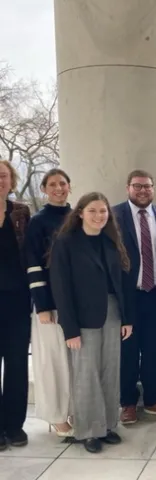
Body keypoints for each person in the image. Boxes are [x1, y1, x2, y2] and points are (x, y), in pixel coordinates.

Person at [49, 192, 133, 453]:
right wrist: (70, 328)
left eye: (103, 211)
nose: (99, 216)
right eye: (93, 211)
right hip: (82, 317)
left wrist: (127, 318)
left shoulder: (111, 241)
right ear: (81, 212)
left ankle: (107, 426)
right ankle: (88, 431)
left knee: (110, 371)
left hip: (112, 312)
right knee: (87, 374)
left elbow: (121, 283)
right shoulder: (66, 242)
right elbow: (61, 288)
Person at [113, 169, 156, 424]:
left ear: (153, 188)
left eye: (147, 186)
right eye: (137, 186)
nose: (143, 191)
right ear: (128, 187)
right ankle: (127, 402)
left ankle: (154, 399)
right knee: (127, 351)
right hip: (127, 296)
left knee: (155, 350)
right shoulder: (113, 216)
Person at [25, 168, 73, 438]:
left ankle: (76, 407)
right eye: (52, 184)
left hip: (76, 303)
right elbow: (33, 264)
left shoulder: (78, 215)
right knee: (53, 362)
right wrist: (42, 306)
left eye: (63, 183)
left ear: (70, 186)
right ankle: (56, 415)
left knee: (75, 363)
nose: (58, 188)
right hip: (50, 304)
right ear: (44, 189)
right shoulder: (38, 221)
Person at [0, 160, 31, 451]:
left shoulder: (21, 212)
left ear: (12, 180)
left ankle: (14, 425)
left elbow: (30, 254)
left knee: (17, 364)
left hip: (17, 300)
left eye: (3, 175)